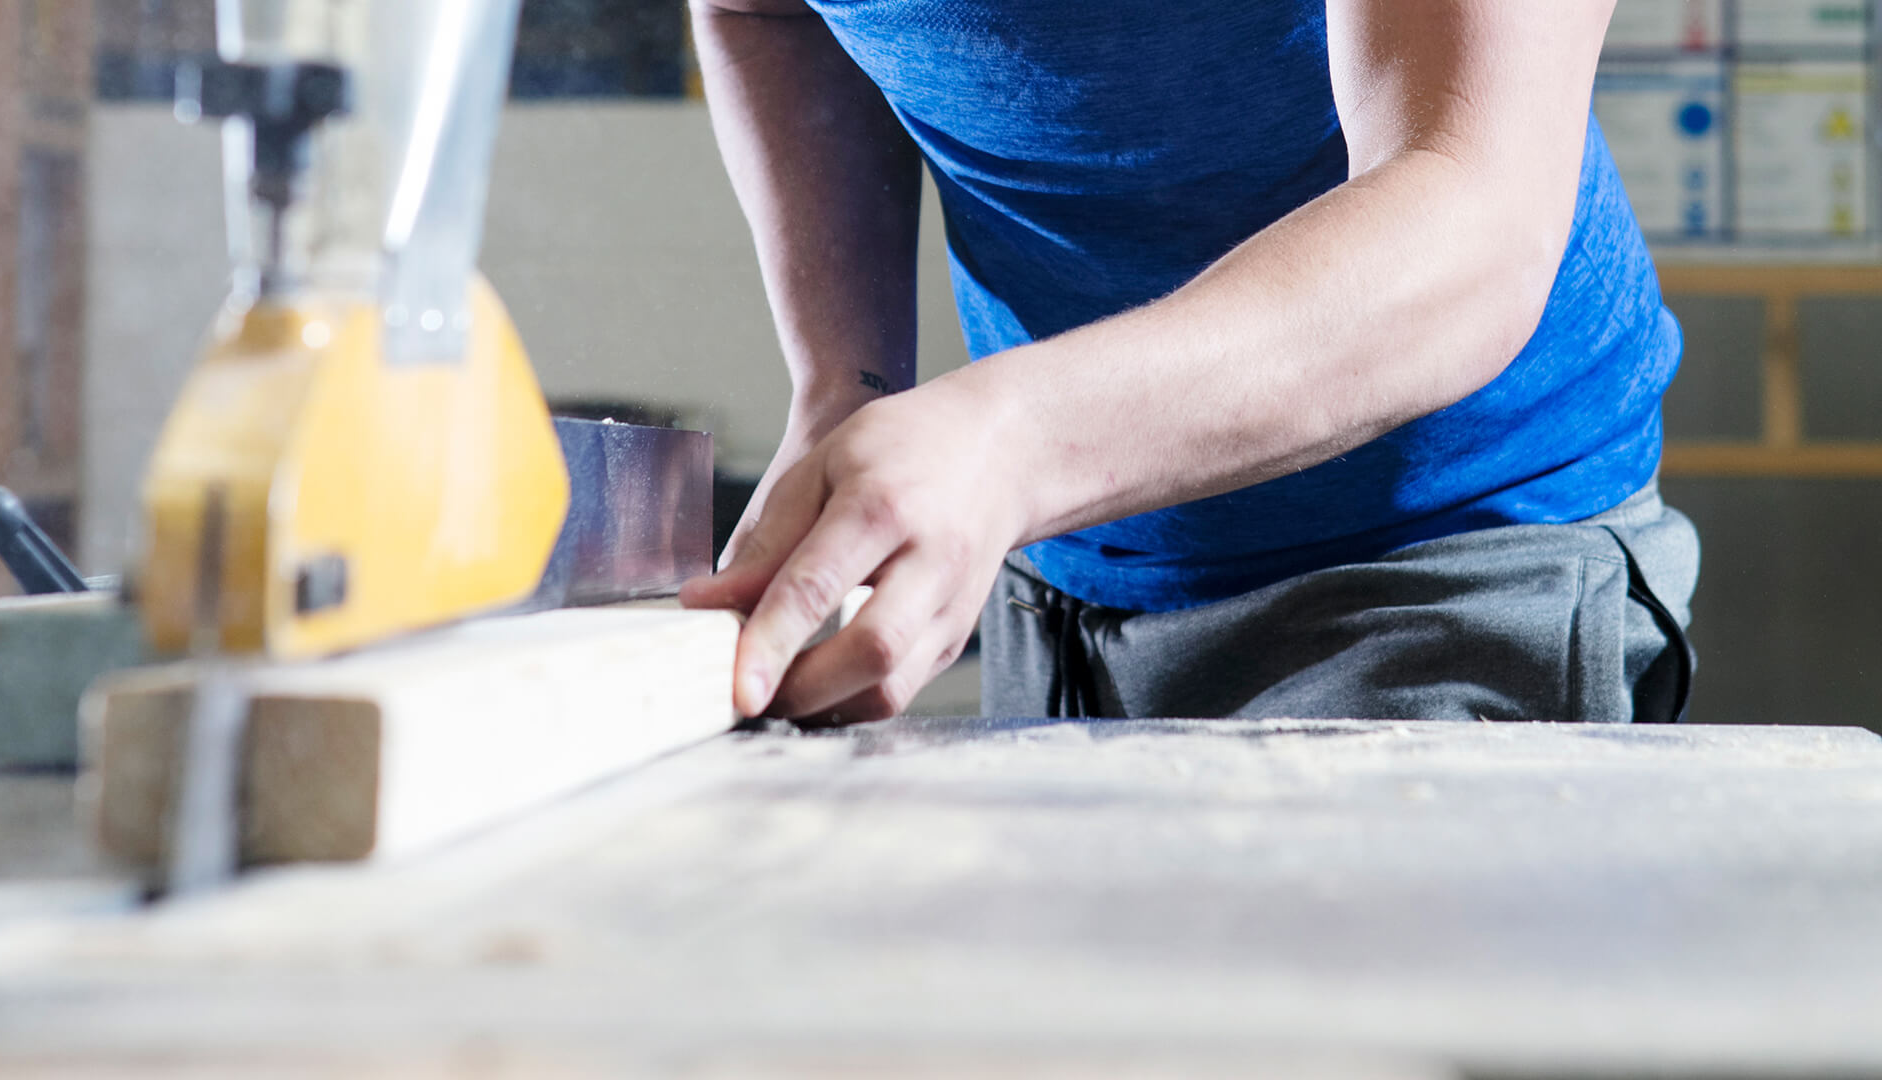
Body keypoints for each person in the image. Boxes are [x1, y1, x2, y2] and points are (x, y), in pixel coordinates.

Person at [678, 0, 1700, 726]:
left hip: (1450, 548)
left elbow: (1472, 219)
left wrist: (1014, 444)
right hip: (1057, 558)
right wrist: (841, 387)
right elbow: (767, 11)